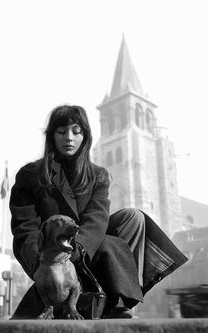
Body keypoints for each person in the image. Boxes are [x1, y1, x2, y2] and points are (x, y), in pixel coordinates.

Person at [10, 104, 187, 319]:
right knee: (109, 245)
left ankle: (113, 299)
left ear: (85, 136)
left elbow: (96, 219)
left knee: (134, 218)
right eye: (61, 131)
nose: (69, 138)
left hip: (84, 248)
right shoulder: (30, 174)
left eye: (77, 131)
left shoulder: (98, 175)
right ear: (51, 136)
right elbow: (24, 227)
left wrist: (77, 252)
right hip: (48, 253)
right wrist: (39, 265)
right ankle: (98, 298)